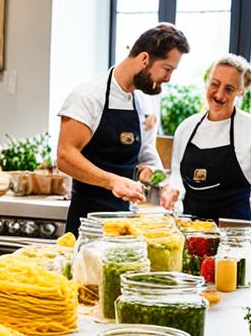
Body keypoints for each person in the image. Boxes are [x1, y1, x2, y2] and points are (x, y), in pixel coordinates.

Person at [57, 23, 190, 234]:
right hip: (87, 224)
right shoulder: (88, 97)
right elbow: (65, 156)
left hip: (125, 224)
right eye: (167, 69)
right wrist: (112, 181)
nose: (168, 78)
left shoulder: (140, 102)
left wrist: (162, 182)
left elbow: (146, 157)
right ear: (145, 59)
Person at [160, 54, 251, 219]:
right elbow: (177, 177)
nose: (219, 95)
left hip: (235, 234)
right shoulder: (186, 128)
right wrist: (172, 190)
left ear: (241, 91)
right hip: (191, 231)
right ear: (207, 82)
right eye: (214, 84)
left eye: (229, 89)